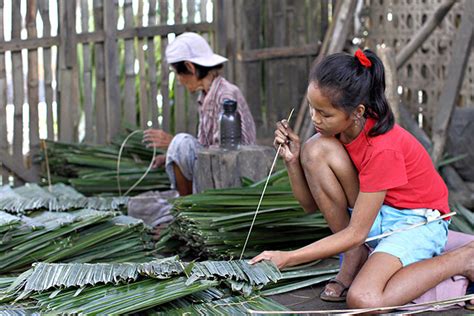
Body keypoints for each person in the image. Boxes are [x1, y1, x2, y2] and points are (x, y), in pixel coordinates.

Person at [250, 49, 474, 309]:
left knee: (364, 300)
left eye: (325, 114)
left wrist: (288, 258)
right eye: (313, 109)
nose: (315, 119)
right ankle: (356, 255)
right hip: (378, 214)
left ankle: (463, 259)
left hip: (415, 220)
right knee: (314, 148)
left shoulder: (383, 148)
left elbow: (357, 232)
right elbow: (309, 205)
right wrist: (292, 161)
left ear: (357, 112)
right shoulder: (335, 135)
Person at [143, 32, 256, 196]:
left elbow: (229, 153)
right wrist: (170, 154)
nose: (179, 81)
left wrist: (173, 143)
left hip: (235, 178)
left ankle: (189, 209)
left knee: (181, 142)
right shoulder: (205, 96)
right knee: (178, 146)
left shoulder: (226, 95)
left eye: (178, 73)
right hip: (215, 170)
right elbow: (205, 146)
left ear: (190, 67)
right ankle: (188, 209)